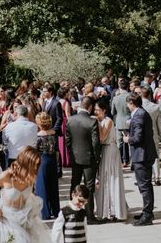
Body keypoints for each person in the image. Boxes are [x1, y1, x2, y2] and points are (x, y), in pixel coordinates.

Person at [0, 146, 50, 243]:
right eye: (34, 164)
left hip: (25, 220)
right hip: (7, 220)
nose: (36, 167)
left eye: (38, 164)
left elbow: (29, 194)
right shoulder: (7, 176)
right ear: (26, 162)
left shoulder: (31, 176)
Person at [65, 96, 101, 224]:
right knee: (89, 187)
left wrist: (72, 154)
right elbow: (95, 143)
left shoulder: (70, 120)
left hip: (76, 157)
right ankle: (90, 216)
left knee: (74, 184)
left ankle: (72, 212)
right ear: (90, 107)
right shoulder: (92, 122)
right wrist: (97, 158)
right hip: (89, 158)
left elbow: (67, 142)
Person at [124, 93, 157, 226]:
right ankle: (147, 211)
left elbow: (137, 138)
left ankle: (148, 215)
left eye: (128, 104)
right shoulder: (141, 113)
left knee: (144, 186)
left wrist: (128, 139)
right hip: (145, 153)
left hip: (142, 155)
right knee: (146, 185)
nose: (127, 106)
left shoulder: (138, 116)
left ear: (132, 103)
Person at [94, 99, 127, 221]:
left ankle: (114, 210)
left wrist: (96, 123)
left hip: (110, 150)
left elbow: (102, 138)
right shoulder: (101, 120)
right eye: (95, 110)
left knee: (112, 177)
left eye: (98, 110)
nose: (96, 112)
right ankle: (106, 208)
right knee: (104, 179)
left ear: (104, 110)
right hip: (104, 151)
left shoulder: (107, 121)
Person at [34, 112, 60, 220]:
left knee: (42, 186)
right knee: (53, 186)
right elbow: (57, 151)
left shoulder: (39, 135)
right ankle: (55, 210)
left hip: (43, 161)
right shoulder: (54, 133)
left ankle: (45, 212)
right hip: (52, 160)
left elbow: (35, 151)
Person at [141, 87, 161, 186]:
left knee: (143, 156)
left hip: (141, 134)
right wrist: (160, 135)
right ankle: (157, 177)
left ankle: (145, 177)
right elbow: (159, 124)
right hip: (153, 133)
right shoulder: (155, 107)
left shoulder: (139, 107)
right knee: (155, 155)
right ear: (149, 95)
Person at [110, 79, 131, 167]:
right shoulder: (130, 96)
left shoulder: (115, 98)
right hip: (129, 120)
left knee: (119, 143)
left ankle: (120, 161)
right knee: (130, 142)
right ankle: (131, 161)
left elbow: (112, 112)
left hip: (119, 121)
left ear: (120, 87)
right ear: (128, 87)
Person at [57, 87, 72, 168]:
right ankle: (66, 160)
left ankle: (61, 160)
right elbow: (68, 115)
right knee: (66, 141)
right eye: (67, 92)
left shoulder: (58, 101)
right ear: (64, 94)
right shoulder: (66, 102)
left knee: (60, 142)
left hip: (59, 123)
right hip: (64, 123)